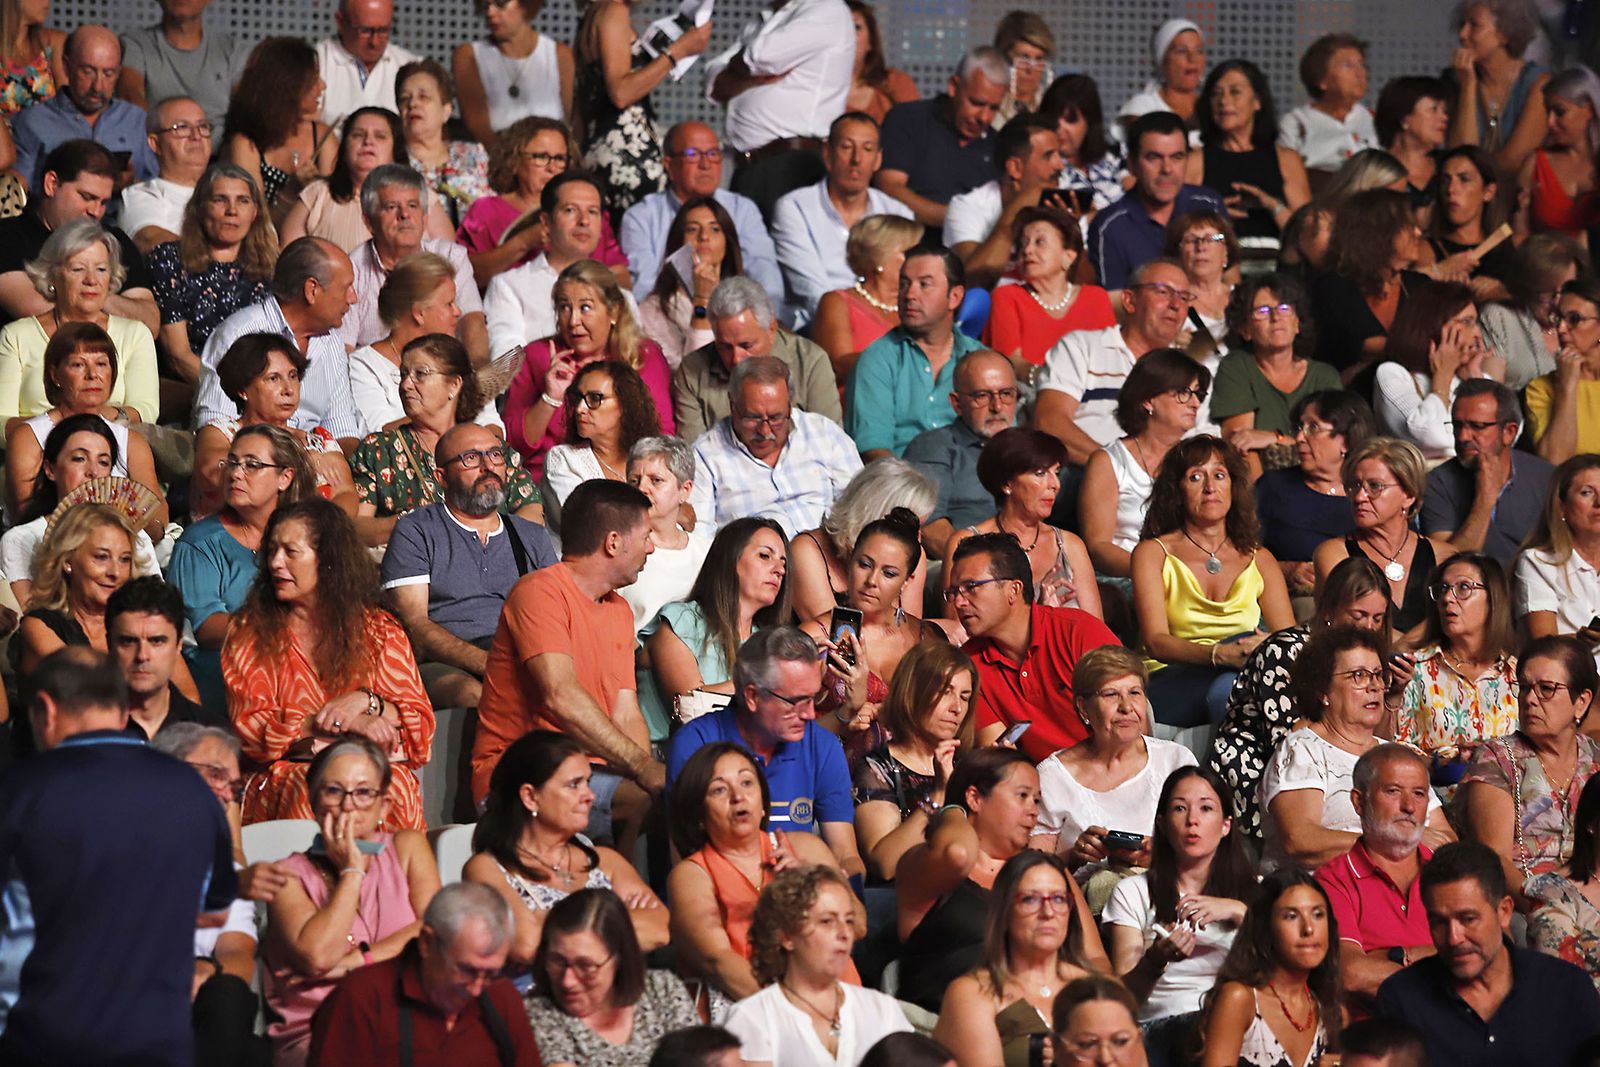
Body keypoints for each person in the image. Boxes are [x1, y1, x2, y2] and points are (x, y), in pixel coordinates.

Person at [0, 648, 237, 1066]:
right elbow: (215, 911)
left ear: (46, 710)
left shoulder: (18, 793)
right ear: (124, 710)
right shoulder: (194, 792)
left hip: (41, 1043)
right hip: (160, 1044)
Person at [223, 499, 434, 829]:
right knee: (313, 786)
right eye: (272, 550)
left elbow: (419, 724)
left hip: (364, 767)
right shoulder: (249, 630)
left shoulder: (378, 628)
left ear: (328, 560)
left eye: (291, 552)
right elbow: (251, 727)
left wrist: (368, 702)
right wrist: (344, 724)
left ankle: (391, 880)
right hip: (285, 774)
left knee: (396, 784)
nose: (276, 562)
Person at [470, 480, 660, 837]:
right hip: (521, 776)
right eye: (646, 536)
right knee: (653, 802)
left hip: (589, 771)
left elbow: (626, 711)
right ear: (614, 542)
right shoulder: (539, 591)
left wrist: (643, 773)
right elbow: (560, 696)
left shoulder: (619, 610)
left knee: (676, 797)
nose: (651, 548)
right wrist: (642, 766)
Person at [261, 738, 442, 1066]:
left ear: (384, 805)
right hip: (319, 1029)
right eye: (334, 791)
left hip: (406, 1016)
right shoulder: (284, 876)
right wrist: (351, 870)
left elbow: (434, 932)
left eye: (363, 792)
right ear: (314, 802)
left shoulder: (408, 847)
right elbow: (319, 958)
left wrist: (353, 964)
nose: (348, 805)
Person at [895, 747, 1108, 1014]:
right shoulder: (927, 867)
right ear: (974, 798)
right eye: (1022, 796)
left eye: (1037, 801)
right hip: (948, 1027)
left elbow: (1096, 961)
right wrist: (951, 807)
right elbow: (958, 854)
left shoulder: (1047, 871)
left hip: (1048, 1020)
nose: (1034, 812)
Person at [667, 742, 866, 1012]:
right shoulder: (691, 874)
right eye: (719, 789)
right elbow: (719, 962)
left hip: (839, 1001)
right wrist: (800, 1013)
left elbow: (859, 926)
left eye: (747, 783)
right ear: (698, 814)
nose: (738, 796)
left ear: (763, 803)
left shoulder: (806, 847)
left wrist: (811, 885)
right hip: (748, 1010)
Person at [1209, 556, 1394, 843]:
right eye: (1358, 616)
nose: (1368, 628)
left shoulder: (1371, 661)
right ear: (1330, 609)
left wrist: (1391, 696)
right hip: (1259, 774)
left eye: (1377, 619)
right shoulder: (1285, 652)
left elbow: (1371, 740)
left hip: (1335, 768)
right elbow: (1287, 747)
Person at [380, 421, 558, 710]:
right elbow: (414, 624)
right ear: (442, 477)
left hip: (520, 655)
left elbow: (555, 616)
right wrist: (490, 664)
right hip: (444, 661)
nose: (488, 466)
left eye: (495, 455)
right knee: (473, 695)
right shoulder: (417, 530)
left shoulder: (531, 536)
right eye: (471, 458)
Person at [1373, 840, 1600, 1064]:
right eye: (1439, 922)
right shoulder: (1401, 999)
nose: (1454, 938)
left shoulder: (1566, 988)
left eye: (1468, 919)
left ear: (1504, 912)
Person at [666, 626, 864, 877]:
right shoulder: (696, 744)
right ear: (752, 696)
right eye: (796, 702)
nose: (810, 714)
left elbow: (846, 855)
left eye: (813, 699)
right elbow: (686, 862)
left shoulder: (822, 747)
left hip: (800, 898)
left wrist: (842, 880)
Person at [465, 731, 667, 970]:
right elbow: (527, 946)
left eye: (588, 783)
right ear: (530, 797)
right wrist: (617, 921)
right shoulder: (488, 868)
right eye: (574, 785)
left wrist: (550, 923)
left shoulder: (606, 862)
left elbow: (660, 929)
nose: (589, 796)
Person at [1259, 627, 1452, 872]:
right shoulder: (1303, 750)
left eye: (1377, 675)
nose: (1373, 686)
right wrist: (1396, 842)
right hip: (1318, 897)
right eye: (1358, 676)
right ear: (1323, 691)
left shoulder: (1395, 757)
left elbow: (1446, 838)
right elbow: (1301, 841)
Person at [1133, 436, 1294, 727]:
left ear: (1233, 486)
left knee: (1229, 687)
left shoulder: (1262, 559)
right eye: (1196, 477)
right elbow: (1156, 643)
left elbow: (1288, 643)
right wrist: (1221, 654)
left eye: (1219, 475)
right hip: (1169, 682)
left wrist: (1258, 647)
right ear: (1177, 490)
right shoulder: (1152, 553)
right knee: (1236, 684)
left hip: (1238, 677)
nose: (1210, 488)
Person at [306, 881, 541, 1066]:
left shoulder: (500, 996)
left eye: (490, 973)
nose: (476, 988)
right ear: (427, 943)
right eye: (466, 970)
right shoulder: (363, 998)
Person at [171, 424, 316, 713]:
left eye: (252, 465)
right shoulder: (200, 543)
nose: (236, 473)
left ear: (285, 477)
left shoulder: (311, 536)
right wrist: (285, 629)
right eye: (233, 463)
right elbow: (207, 628)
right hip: (229, 679)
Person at [1103, 766, 1253, 1045]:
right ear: (1161, 823)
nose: (1192, 820)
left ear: (1226, 825)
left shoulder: (1255, 892)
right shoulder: (1132, 892)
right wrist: (1154, 960)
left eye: (1206, 808)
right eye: (1180, 809)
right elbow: (1123, 1000)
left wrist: (1239, 911)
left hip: (1240, 1024)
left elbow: (1283, 974)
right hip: (1164, 1027)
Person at [147, 722, 268, 1067]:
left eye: (234, 786)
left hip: (203, 1008)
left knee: (229, 999)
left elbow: (238, 950)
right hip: (128, 996)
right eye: (216, 775)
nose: (227, 795)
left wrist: (208, 969)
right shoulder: (119, 845)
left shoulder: (224, 866)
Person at [354, 331, 543, 544]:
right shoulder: (380, 450)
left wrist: (495, 547)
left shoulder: (492, 449)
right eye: (403, 374)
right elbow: (358, 527)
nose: (406, 384)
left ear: (454, 384)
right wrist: (412, 525)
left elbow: (532, 510)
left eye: (420, 374)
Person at [950, 532, 1119, 761]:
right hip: (1039, 787)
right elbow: (1001, 756)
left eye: (971, 587)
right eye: (953, 592)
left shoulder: (1079, 631)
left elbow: (1127, 720)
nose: (959, 602)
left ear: (1014, 589)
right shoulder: (968, 665)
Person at [1458, 634, 1600, 904]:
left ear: (1580, 702)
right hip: (1525, 904)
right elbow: (1495, 859)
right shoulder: (1497, 759)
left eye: (1546, 688)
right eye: (1524, 687)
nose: (1530, 699)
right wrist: (1547, 909)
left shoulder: (1596, 761)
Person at [502, 257, 674, 480]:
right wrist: (550, 397)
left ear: (613, 311)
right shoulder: (537, 356)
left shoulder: (643, 356)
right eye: (564, 307)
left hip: (628, 481)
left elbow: (663, 436)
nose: (573, 321)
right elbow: (512, 446)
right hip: (550, 481)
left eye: (585, 308)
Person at [1032, 646, 1200, 871]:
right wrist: (1073, 855)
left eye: (1134, 693)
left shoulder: (1175, 760)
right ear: (1083, 707)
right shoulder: (1052, 776)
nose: (1126, 707)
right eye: (1111, 694)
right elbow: (1034, 868)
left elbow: (1208, 842)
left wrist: (1161, 856)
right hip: (1088, 898)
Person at [723, 866, 910, 1065]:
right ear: (786, 935)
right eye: (827, 921)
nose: (844, 933)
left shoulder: (882, 1009)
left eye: (848, 921)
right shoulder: (752, 1019)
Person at [932, 850, 1101, 1067]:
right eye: (1030, 899)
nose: (1048, 912)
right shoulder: (972, 993)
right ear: (1004, 910)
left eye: (1058, 899)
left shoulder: (1093, 988)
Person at [1315, 744, 1445, 1016]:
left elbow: (1492, 956)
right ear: (1359, 802)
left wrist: (1393, 956)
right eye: (1393, 791)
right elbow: (1352, 975)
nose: (1409, 806)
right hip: (1379, 1041)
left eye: (1419, 794)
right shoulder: (1333, 879)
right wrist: (1445, 960)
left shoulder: (1449, 871)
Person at [194, 237, 362, 447]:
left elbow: (343, 431)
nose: (353, 298)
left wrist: (326, 461)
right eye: (346, 287)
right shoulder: (238, 334)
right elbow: (214, 433)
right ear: (312, 290)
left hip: (314, 466)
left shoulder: (332, 341)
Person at [799, 507, 950, 735]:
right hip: (838, 762)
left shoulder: (927, 636)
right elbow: (787, 735)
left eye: (888, 573)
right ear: (850, 562)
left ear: (907, 581)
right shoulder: (815, 635)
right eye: (865, 565)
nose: (871, 581)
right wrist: (843, 716)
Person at [640, 517, 789, 743]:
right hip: (668, 761)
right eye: (765, 556)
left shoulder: (766, 642)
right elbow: (692, 708)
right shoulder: (681, 620)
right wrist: (768, 680)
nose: (779, 570)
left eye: (783, 563)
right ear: (731, 559)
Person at [1033, 258, 1191, 466]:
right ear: (1129, 300)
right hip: (1085, 474)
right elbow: (1049, 422)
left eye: (1184, 297)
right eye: (1163, 292)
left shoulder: (1189, 373)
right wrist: (1118, 469)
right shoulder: (1081, 347)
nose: (1175, 305)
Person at [704, 0, 854, 221]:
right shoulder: (762, 19)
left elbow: (758, 56)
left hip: (792, 165)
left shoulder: (827, 8)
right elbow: (713, 79)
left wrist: (745, 70)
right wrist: (753, 79)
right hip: (746, 167)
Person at [2, 321, 163, 526]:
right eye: (78, 365)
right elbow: (26, 516)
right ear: (55, 375)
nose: (92, 375)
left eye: (101, 364)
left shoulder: (132, 442)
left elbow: (158, 519)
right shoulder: (28, 437)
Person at [0, 218, 158, 425]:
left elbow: (145, 411)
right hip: (34, 452)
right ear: (52, 276)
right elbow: (2, 423)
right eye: (78, 269)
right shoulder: (16, 336)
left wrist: (87, 420)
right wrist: (62, 423)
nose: (91, 280)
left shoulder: (136, 334)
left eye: (101, 269)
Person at [190, 332, 356, 523]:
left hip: (311, 541)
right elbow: (213, 472)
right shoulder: (222, 433)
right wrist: (304, 463)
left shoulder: (318, 442)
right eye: (273, 379)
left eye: (293, 376)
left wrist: (317, 530)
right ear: (243, 390)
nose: (289, 389)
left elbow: (346, 494)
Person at [693, 355, 864, 536]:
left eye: (775, 418)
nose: (765, 430)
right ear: (732, 406)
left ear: (790, 407)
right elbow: (700, 538)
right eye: (753, 417)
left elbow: (860, 507)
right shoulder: (705, 456)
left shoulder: (824, 433)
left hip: (829, 554)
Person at [0, 139, 159, 333]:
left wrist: (91, 293)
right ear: (51, 184)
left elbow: (149, 323)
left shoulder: (113, 240)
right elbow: (39, 314)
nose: (96, 211)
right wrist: (100, 296)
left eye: (103, 202)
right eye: (87, 197)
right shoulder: (8, 236)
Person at [0, 419, 160, 610]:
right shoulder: (21, 539)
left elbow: (157, 608)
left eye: (103, 462)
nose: (93, 472)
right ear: (50, 469)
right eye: (79, 459)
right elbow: (28, 617)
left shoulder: (134, 534)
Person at [773, 112, 914, 329]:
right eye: (847, 147)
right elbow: (813, 291)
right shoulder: (795, 207)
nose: (856, 159)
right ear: (827, 153)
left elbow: (902, 288)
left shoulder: (899, 214)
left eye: (867, 149)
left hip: (886, 327)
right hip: (816, 327)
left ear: (878, 159)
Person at [571, 0, 710, 220]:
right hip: (627, 162)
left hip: (599, 154)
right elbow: (621, 93)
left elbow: (580, 106)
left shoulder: (592, 16)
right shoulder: (613, 10)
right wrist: (679, 51)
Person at [619, 122, 783, 308]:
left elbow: (765, 275)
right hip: (667, 321)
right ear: (669, 166)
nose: (705, 164)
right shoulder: (641, 217)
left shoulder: (742, 209)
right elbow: (644, 289)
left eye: (713, 153)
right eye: (693, 154)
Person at [526, 888, 695, 1066]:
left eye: (586, 966)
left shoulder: (663, 989)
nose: (568, 981)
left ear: (619, 958)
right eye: (557, 962)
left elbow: (701, 1059)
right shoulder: (537, 1013)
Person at [850, 641, 976, 881]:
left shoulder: (967, 767)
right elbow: (886, 864)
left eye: (965, 696)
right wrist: (939, 794)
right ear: (913, 691)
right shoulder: (877, 768)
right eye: (946, 692)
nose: (957, 708)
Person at [1313, 436, 1458, 642]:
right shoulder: (1334, 554)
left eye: (1374, 486)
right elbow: (1350, 630)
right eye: (1354, 485)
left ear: (1409, 495)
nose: (1359, 497)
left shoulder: (1445, 555)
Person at [847, 244, 985, 459]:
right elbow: (872, 449)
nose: (909, 294)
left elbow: (1004, 440)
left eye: (925, 284)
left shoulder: (980, 360)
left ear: (955, 296)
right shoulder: (878, 359)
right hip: (903, 482)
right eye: (904, 284)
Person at [942, 428, 1100, 614]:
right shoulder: (966, 544)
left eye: (1056, 472)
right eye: (1040, 473)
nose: (1055, 484)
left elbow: (1097, 631)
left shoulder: (1069, 545)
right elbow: (958, 631)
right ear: (1007, 483)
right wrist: (1039, 618)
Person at [145, 163, 277, 387]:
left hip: (258, 389)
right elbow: (178, 355)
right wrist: (228, 394)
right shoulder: (170, 259)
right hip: (190, 389)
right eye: (220, 200)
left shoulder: (270, 266)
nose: (232, 210)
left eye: (243, 201)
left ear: (255, 212)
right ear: (200, 208)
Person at [1079, 350, 1206, 580]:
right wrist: (1159, 574)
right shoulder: (1108, 461)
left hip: (1195, 579)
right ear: (1148, 400)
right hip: (1128, 578)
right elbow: (1098, 546)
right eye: (1184, 393)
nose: (1196, 403)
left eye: (1198, 394)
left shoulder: (1201, 461)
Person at [672, 275, 843, 443]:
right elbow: (692, 456)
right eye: (724, 347)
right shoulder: (692, 372)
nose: (736, 359)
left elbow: (831, 443)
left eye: (746, 346)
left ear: (771, 329)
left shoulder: (810, 362)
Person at [338, 166, 484, 359]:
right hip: (377, 380)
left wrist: (476, 379)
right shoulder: (352, 271)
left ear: (425, 217)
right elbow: (343, 351)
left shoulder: (450, 256)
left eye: (413, 205)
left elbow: (472, 320)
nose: (404, 214)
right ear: (368, 222)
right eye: (391, 207)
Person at [1197, 872, 1342, 1067]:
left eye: (1318, 915)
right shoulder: (1239, 999)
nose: (1308, 929)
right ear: (1265, 928)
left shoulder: (1332, 1011)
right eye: (1291, 916)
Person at [484, 171, 625, 366]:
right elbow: (507, 362)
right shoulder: (509, 286)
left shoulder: (618, 293)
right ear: (545, 221)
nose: (584, 221)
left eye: (592, 211)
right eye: (570, 210)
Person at [1211, 273, 1341, 474]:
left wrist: (1274, 438)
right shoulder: (1237, 367)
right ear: (1245, 329)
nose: (1276, 317)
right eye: (1262, 310)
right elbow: (1241, 447)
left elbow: (1332, 449)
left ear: (1297, 323)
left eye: (1284, 308)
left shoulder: (1324, 376)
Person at [1253, 391, 1375, 602]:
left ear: (1346, 440)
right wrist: (1284, 570)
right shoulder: (1273, 485)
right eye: (1300, 428)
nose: (1299, 438)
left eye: (1313, 428)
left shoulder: (1374, 494)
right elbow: (1238, 553)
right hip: (1294, 600)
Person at [346, 249, 482, 434]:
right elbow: (378, 436)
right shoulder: (363, 367)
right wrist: (448, 410)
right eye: (449, 303)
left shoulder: (456, 359)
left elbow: (492, 425)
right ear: (419, 313)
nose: (458, 311)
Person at [281, 108, 451, 254]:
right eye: (358, 135)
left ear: (395, 150)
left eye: (380, 136)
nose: (368, 142)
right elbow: (289, 260)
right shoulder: (318, 193)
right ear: (345, 147)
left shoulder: (423, 197)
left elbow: (449, 261)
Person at [1087, 112, 1226, 291]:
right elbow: (1115, 305)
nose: (1167, 169)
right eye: (1154, 158)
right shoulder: (1109, 228)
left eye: (1177, 157)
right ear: (1132, 164)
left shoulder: (1210, 204)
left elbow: (1229, 275)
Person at [788, 457, 935, 625]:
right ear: (874, 515)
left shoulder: (912, 552)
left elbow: (909, 634)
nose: (918, 538)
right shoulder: (806, 551)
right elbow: (838, 639)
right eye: (908, 525)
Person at [1421, 380, 1554, 561]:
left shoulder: (1545, 476)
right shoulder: (1436, 483)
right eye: (1457, 425)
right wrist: (1486, 497)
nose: (1463, 436)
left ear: (1509, 432)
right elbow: (1448, 564)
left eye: (1477, 426)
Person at [12, 26, 157, 192]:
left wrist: (133, 185)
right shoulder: (31, 122)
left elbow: (160, 188)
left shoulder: (137, 120)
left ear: (119, 73)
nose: (98, 86)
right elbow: (20, 195)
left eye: (108, 74)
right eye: (88, 72)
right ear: (67, 66)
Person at [876, 47, 1007, 228]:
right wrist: (956, 219)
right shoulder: (908, 119)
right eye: (976, 103)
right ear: (953, 86)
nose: (983, 117)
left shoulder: (998, 147)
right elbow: (889, 189)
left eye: (994, 108)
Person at [1372, 279, 1502, 461]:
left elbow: (1509, 432)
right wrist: (1443, 376)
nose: (1477, 334)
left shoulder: (1473, 378)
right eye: (1466, 322)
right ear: (1433, 326)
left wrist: (1475, 382)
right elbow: (1434, 437)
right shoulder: (1392, 374)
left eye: (1475, 323)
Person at [906, 350, 1020, 555]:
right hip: (960, 566)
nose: (997, 406)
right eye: (982, 396)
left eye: (1006, 394)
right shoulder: (934, 446)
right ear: (957, 404)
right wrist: (992, 566)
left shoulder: (1029, 450)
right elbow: (930, 527)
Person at [1308, 188, 1428, 377]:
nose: (1418, 232)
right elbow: (1367, 345)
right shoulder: (1335, 285)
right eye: (1408, 226)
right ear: (1379, 233)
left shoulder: (1419, 285)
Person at [221, 37, 338, 229]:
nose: (322, 86)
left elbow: (332, 215)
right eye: (313, 79)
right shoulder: (246, 144)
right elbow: (253, 223)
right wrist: (289, 193)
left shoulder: (323, 137)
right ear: (287, 86)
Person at [983, 205, 1116, 371]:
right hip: (1030, 393)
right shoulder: (1007, 296)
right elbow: (1010, 364)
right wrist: (1053, 381)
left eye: (1040, 242)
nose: (1027, 250)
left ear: (1068, 257)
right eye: (1023, 244)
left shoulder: (1096, 299)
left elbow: (1110, 359)